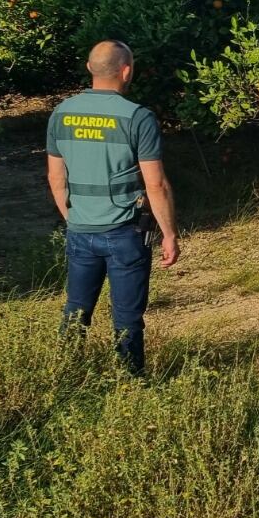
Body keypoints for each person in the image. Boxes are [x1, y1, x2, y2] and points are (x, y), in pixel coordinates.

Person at [46, 40, 179, 374]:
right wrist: (169, 233)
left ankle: (63, 373)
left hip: (79, 230)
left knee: (76, 309)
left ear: (90, 68)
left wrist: (74, 218)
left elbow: (55, 178)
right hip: (126, 232)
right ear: (127, 71)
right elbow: (156, 183)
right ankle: (130, 382)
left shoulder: (61, 113)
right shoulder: (138, 117)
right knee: (127, 317)